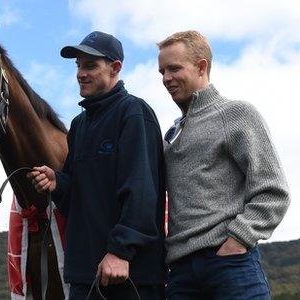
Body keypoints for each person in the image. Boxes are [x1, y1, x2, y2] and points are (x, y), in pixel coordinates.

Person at [27, 31, 166, 299]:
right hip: (84, 276)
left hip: (129, 276)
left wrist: (120, 252)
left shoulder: (134, 113)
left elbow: (142, 191)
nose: (81, 73)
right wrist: (59, 183)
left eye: (90, 65)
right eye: (78, 66)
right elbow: (75, 202)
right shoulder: (79, 126)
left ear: (115, 68)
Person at [158, 30, 290, 299]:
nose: (166, 79)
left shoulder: (236, 114)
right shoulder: (171, 134)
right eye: (161, 72)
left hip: (230, 265)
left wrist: (238, 239)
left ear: (201, 67)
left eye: (174, 69)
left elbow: (273, 190)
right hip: (181, 274)